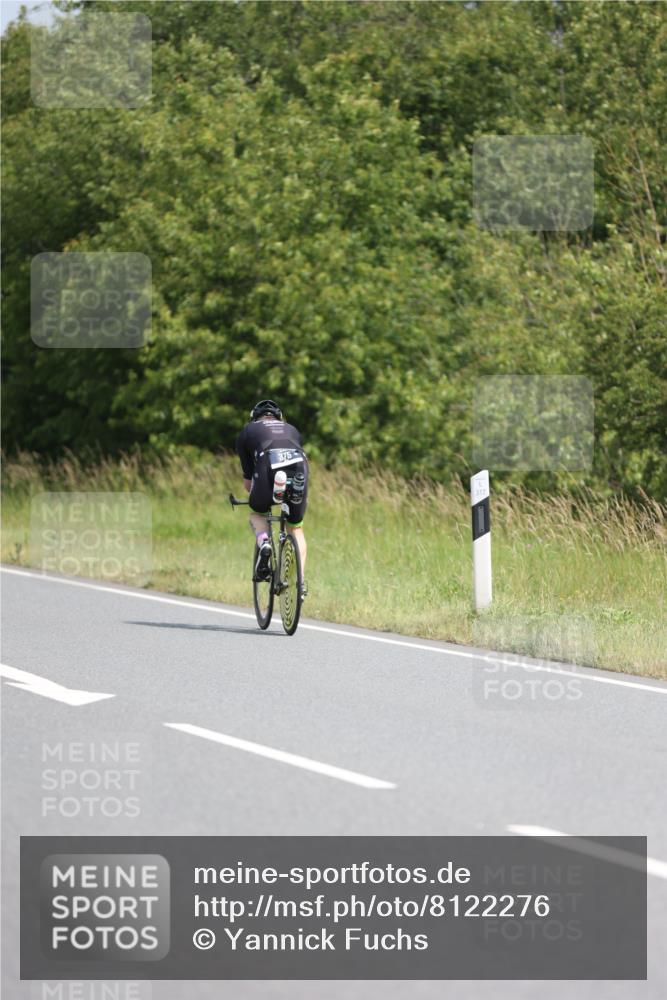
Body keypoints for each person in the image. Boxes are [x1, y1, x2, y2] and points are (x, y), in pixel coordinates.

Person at [235, 400, 308, 596]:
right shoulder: (292, 428)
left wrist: (257, 497)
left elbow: (248, 483)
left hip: (268, 462)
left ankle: (265, 541)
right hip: (300, 464)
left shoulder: (248, 431)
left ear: (254, 418)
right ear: (279, 418)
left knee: (257, 514)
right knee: (296, 527)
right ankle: (299, 583)